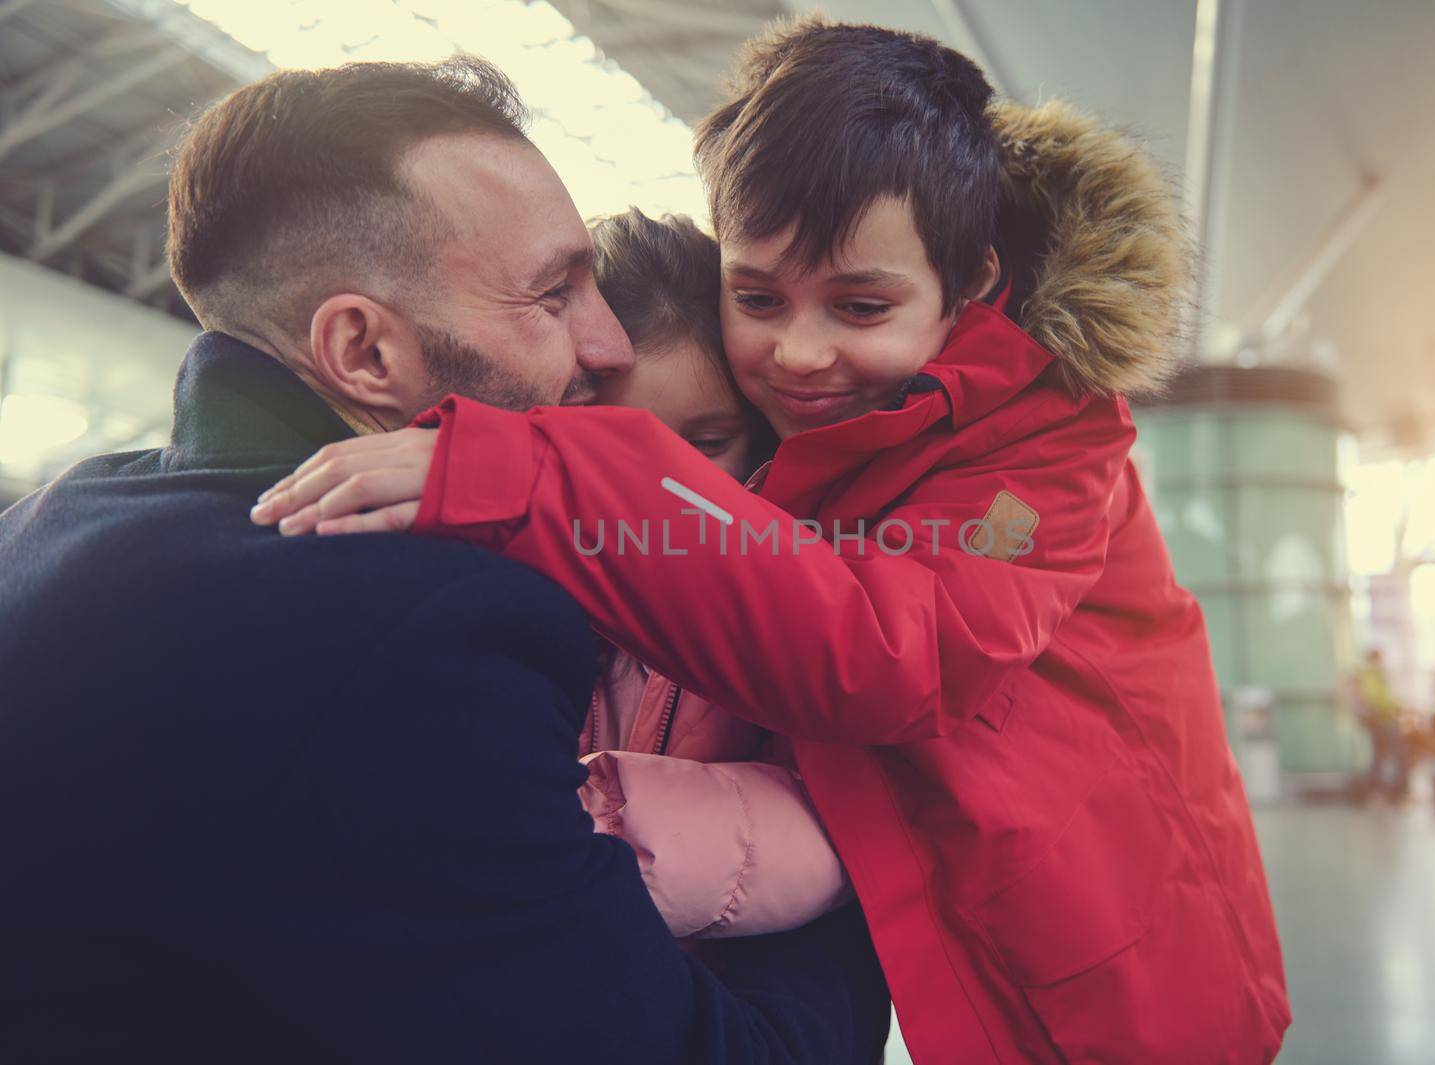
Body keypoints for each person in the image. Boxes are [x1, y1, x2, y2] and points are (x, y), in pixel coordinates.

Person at [256, 20, 1291, 1063]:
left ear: (969, 284)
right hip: (1001, 947)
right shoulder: (821, 442)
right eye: (756, 297)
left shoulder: (1039, 462)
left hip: (1131, 977)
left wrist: (541, 470)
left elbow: (896, 651)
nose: (798, 353)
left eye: (860, 304)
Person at [0, 58, 889, 1064]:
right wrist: (878, 858)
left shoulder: (53, 524)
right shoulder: (414, 630)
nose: (604, 348)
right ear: (365, 353)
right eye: (554, 296)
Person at [582, 208, 851, 939]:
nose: (667, 485)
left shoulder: (815, 588)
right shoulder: (526, 581)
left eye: (708, 441)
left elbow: (853, 814)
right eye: (619, 445)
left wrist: (598, 831)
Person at [1356, 648, 1410, 799]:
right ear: (1376, 659)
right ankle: (1398, 790)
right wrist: (1396, 708)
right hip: (1383, 718)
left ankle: (1375, 789)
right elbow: (1378, 698)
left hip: (1378, 719)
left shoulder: (1368, 675)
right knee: (1399, 753)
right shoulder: (1373, 675)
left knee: (1380, 755)